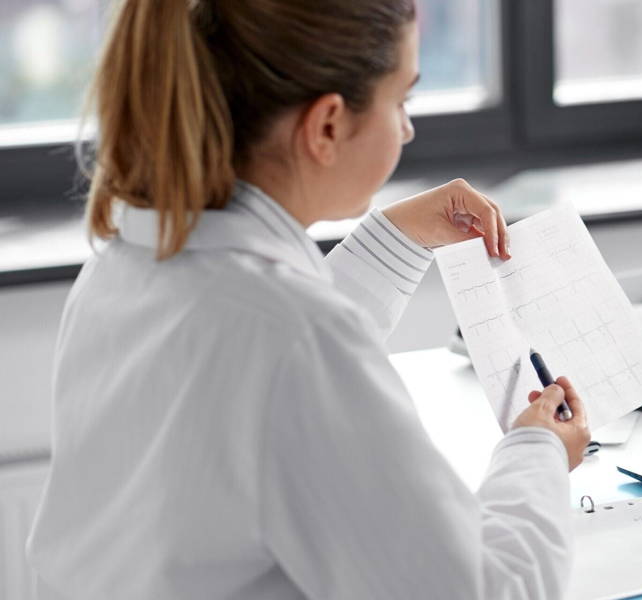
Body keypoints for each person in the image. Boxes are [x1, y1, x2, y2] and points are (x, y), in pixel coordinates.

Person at [26, 1, 590, 598]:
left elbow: (253, 355)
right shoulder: (295, 339)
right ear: (326, 127)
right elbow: (484, 590)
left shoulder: (121, 269)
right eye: (401, 103)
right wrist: (539, 452)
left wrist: (396, 239)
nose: (407, 129)